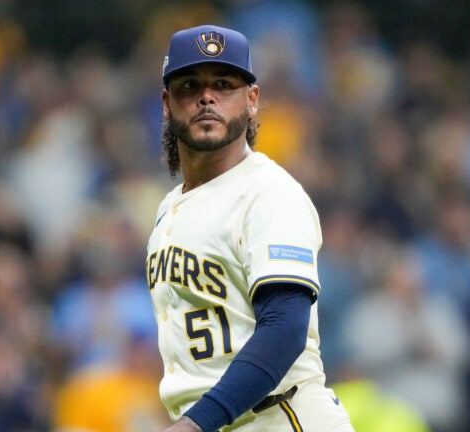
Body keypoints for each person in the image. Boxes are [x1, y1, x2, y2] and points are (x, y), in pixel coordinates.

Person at [145, 24, 354, 432]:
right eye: (190, 85)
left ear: (252, 100)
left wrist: (194, 424)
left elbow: (284, 330)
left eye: (224, 84)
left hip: (282, 418)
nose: (207, 97)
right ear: (167, 104)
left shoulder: (269, 194)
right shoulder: (169, 209)